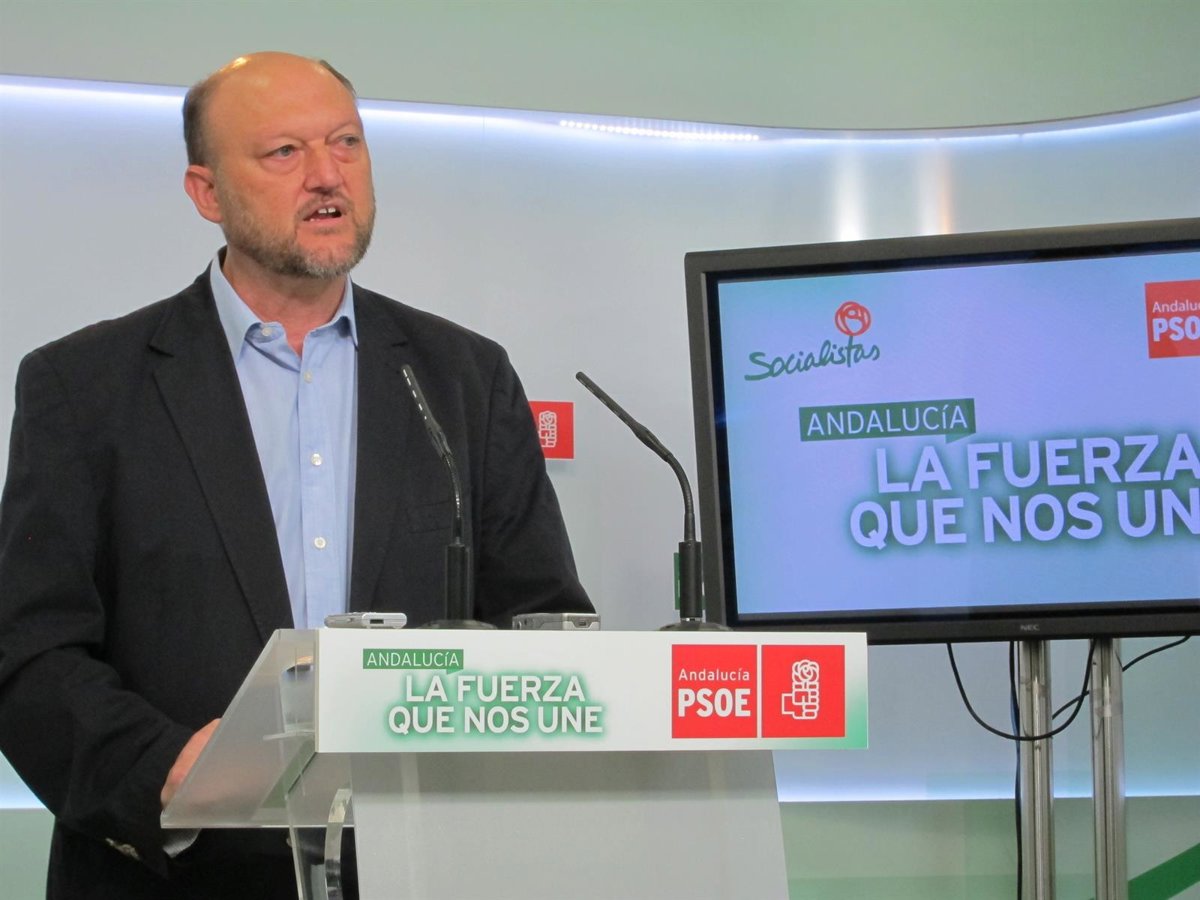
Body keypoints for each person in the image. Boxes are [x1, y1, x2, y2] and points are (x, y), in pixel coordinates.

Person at [0, 52, 592, 899]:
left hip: (413, 868)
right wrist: (164, 767)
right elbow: (30, 652)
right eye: (284, 152)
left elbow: (540, 620)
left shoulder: (463, 377)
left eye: (346, 143)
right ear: (206, 193)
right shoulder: (84, 386)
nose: (327, 175)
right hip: (178, 872)